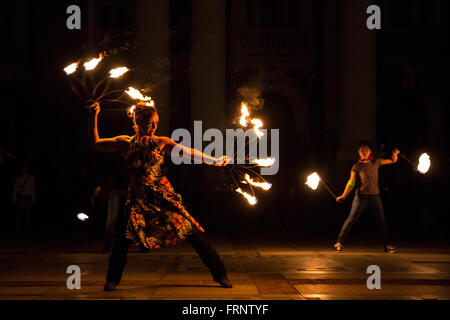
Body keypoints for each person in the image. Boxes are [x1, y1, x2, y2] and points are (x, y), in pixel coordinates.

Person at [88, 102, 232, 291]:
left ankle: (221, 275)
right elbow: (96, 143)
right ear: (139, 121)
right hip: (138, 198)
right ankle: (112, 280)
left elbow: (188, 152)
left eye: (156, 122)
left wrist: (213, 160)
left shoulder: (160, 142)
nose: (154, 127)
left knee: (192, 232)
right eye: (150, 123)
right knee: (123, 238)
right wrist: (94, 116)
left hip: (162, 195)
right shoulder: (126, 143)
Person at [334, 141, 399, 253]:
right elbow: (351, 182)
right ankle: (339, 242)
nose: (364, 151)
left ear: (370, 151)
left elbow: (393, 161)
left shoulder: (376, 162)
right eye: (361, 150)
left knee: (381, 221)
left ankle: (387, 245)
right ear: (359, 152)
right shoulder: (357, 166)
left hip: (375, 196)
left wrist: (395, 154)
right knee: (351, 219)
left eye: (366, 149)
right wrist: (344, 195)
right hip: (361, 197)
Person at [12, 163, 36, 235]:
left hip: (28, 197)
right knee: (19, 214)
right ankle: (18, 230)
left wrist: (33, 198)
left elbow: (33, 188)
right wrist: (14, 198)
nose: (25, 168)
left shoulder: (31, 177)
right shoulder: (19, 177)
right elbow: (15, 188)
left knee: (28, 215)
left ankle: (27, 231)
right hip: (21, 197)